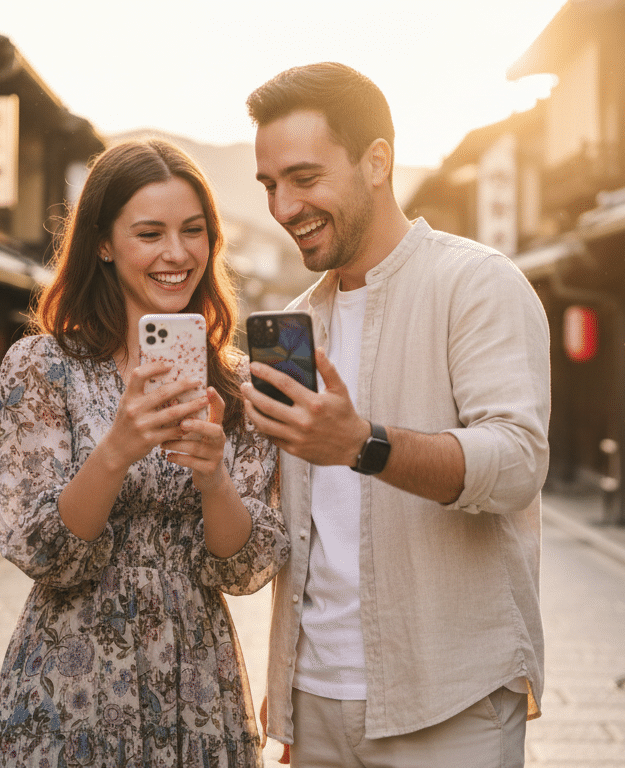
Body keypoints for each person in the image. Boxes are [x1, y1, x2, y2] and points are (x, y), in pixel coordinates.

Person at [243, 63, 551, 767]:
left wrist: (364, 443)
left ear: (376, 161)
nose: (284, 206)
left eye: (304, 177)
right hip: (315, 703)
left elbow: (515, 464)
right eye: (269, 185)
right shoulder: (294, 324)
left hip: (450, 699)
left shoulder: (476, 283)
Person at [0, 138, 290, 767]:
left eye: (193, 231)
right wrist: (116, 449)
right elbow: (40, 550)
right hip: (68, 686)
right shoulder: (43, 368)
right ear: (102, 241)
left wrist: (214, 480)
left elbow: (248, 565)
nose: (176, 254)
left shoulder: (240, 386)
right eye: (149, 233)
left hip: (198, 685)